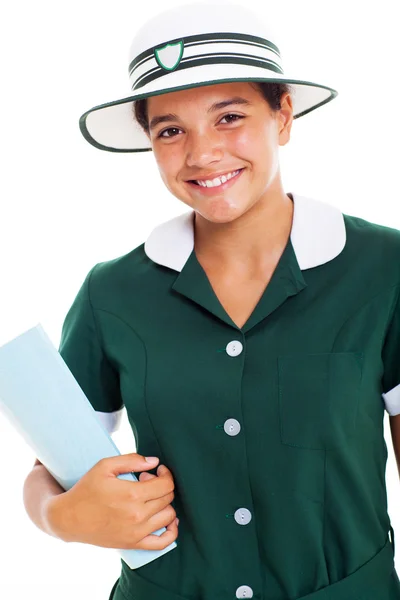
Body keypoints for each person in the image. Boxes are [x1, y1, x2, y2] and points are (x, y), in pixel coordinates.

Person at [23, 2, 400, 599]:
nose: (201, 154)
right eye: (170, 129)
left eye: (229, 117)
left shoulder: (385, 269)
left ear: (283, 115)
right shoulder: (112, 292)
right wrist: (61, 519)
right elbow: (52, 469)